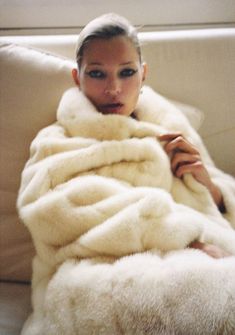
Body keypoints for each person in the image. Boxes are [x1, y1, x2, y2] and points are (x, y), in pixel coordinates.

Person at [71, 13, 232, 259]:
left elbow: (220, 208)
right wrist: (185, 244)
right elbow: (63, 217)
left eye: (126, 72)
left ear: (143, 74)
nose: (113, 88)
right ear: (77, 78)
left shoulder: (169, 128)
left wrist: (208, 186)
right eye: (96, 73)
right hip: (113, 268)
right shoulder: (61, 142)